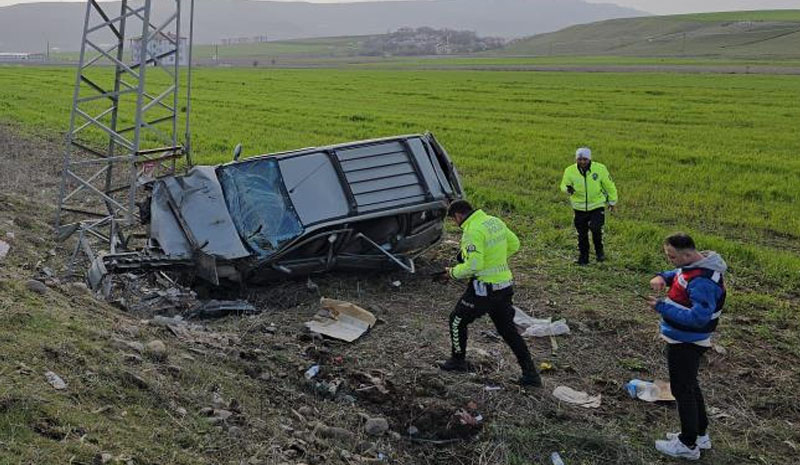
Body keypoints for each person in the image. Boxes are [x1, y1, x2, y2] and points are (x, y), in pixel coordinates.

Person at [436, 199, 541, 387]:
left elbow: (474, 265)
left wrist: (451, 272)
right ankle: (531, 374)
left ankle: (457, 361)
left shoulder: (472, 231)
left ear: (458, 215)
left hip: (483, 289)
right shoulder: (494, 221)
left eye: (453, 220)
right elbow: (514, 244)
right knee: (508, 331)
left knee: (457, 320)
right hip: (504, 286)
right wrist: (495, 258)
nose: (455, 223)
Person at [647, 233, 727, 461]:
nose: (670, 260)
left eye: (672, 257)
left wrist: (662, 307)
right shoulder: (695, 265)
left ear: (688, 254)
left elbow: (698, 318)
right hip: (683, 338)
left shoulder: (702, 282)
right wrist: (663, 277)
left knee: (682, 390)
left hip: (687, 341)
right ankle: (700, 434)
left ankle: (688, 444)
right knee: (690, 386)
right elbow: (680, 274)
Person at [559, 147, 618, 265]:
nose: (582, 162)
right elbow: (563, 185)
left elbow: (609, 185)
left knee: (596, 229)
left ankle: (599, 252)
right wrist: (567, 189)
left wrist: (612, 202)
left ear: (589, 159)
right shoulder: (570, 170)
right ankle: (583, 258)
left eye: (585, 159)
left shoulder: (600, 169)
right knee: (582, 234)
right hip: (579, 208)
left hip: (597, 205)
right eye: (579, 159)